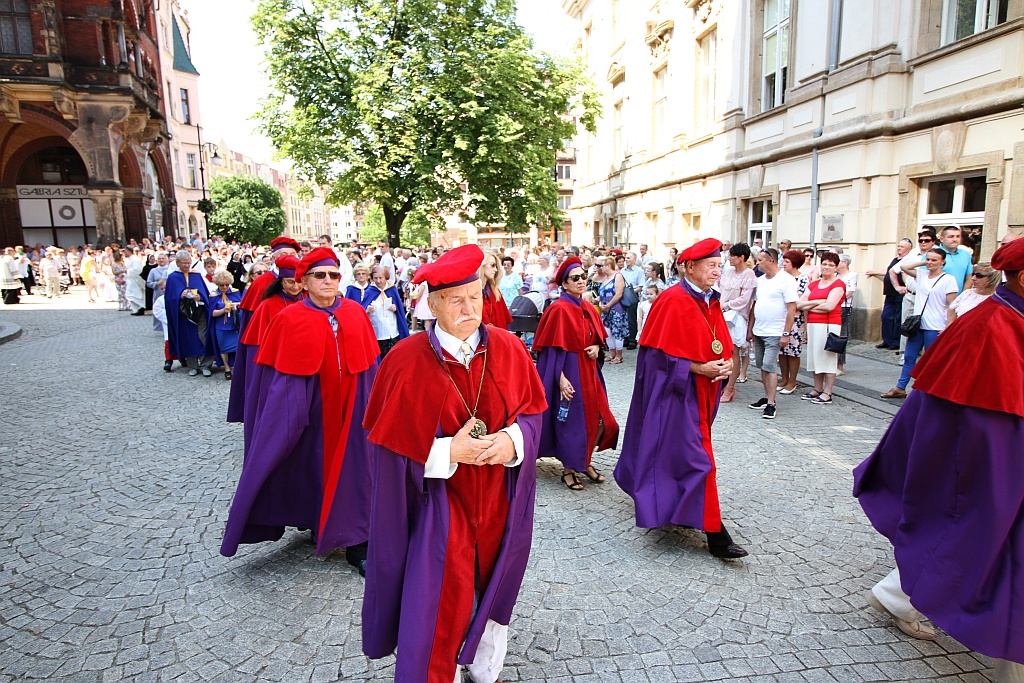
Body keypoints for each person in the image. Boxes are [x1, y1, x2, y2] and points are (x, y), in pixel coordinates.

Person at [361, 244, 547, 683]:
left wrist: (513, 440)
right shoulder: (403, 362)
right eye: (456, 300)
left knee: (493, 587)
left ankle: (486, 671)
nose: (469, 308)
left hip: (500, 498)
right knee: (440, 596)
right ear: (433, 303)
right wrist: (447, 452)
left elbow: (533, 414)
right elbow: (387, 452)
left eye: (476, 297)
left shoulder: (509, 348)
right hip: (439, 504)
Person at [852, 238, 1024, 681]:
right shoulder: (990, 327)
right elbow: (985, 424)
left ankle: (897, 593)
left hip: (982, 461)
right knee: (988, 540)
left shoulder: (1002, 318)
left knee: (972, 539)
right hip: (985, 464)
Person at [221, 247, 379, 575]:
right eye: (320, 275)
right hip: (312, 413)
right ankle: (316, 521)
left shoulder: (354, 312)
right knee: (310, 468)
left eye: (334, 275)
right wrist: (291, 415)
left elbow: (371, 370)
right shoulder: (288, 318)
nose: (328, 281)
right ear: (304, 281)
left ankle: (357, 542)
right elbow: (275, 382)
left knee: (356, 472)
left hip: (352, 413)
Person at [614, 238, 748, 560]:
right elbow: (653, 360)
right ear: (689, 266)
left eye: (720, 265)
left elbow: (719, 343)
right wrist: (698, 367)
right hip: (673, 397)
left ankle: (677, 511)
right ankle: (716, 534)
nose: (718, 271)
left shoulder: (710, 300)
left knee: (679, 459)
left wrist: (726, 365)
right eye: (711, 265)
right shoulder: (672, 300)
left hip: (701, 395)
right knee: (698, 461)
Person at [534, 256, 619, 492]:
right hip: (568, 373)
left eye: (583, 276)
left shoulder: (589, 308)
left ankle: (585, 461)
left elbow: (597, 340)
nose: (581, 281)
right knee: (572, 421)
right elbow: (550, 352)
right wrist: (560, 380)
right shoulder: (558, 310)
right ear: (564, 284)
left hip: (589, 372)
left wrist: (595, 347)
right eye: (575, 278)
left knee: (601, 419)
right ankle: (569, 470)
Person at [231, 255, 304, 439]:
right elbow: (257, 349)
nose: (295, 287)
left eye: (299, 282)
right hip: (278, 368)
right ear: (280, 282)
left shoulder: (309, 301)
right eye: (289, 282)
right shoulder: (267, 306)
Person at [879, 249, 959, 399]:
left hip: (936, 325)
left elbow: (951, 305)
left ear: (943, 262)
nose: (930, 262)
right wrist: (924, 262)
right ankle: (900, 387)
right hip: (918, 324)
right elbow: (904, 267)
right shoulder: (922, 275)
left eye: (934, 260)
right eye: (928, 259)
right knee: (909, 356)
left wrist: (949, 326)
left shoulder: (949, 279)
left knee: (930, 359)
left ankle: (929, 388)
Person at [746, 248, 797, 419]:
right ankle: (767, 395)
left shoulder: (786, 280)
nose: (757, 262)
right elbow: (754, 305)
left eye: (760, 260)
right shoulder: (760, 281)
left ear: (771, 261)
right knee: (762, 364)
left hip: (775, 331)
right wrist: (750, 329)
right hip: (759, 329)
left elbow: (791, 309)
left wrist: (786, 333)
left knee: (769, 365)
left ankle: (771, 403)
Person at [795, 252, 845, 404]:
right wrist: (819, 302)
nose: (827, 267)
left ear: (836, 267)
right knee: (815, 357)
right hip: (813, 324)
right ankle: (817, 388)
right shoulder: (814, 284)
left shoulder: (838, 285)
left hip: (830, 325)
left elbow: (830, 306)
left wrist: (811, 305)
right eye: (824, 264)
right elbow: (799, 304)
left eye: (831, 265)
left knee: (828, 358)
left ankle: (828, 391)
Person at [164, 250, 215, 377]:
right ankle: (193, 365)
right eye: (184, 263)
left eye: (188, 263)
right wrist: (179, 296)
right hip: (184, 314)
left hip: (199, 312)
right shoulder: (173, 278)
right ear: (177, 263)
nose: (187, 266)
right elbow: (169, 298)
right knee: (188, 338)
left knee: (203, 336)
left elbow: (205, 294)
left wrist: (200, 297)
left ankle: (206, 364)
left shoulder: (196, 276)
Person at [718, 243, 757, 403]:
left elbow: (744, 300)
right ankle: (722, 383)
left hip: (736, 317)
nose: (729, 258)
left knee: (733, 352)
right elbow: (721, 292)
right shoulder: (728, 272)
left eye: (732, 256)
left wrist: (726, 305)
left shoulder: (749, 275)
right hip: (722, 315)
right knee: (721, 350)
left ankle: (730, 387)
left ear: (741, 258)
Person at [866, 239, 911, 350]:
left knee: (898, 318)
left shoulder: (909, 260)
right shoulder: (895, 259)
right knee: (886, 317)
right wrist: (874, 272)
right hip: (889, 293)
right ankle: (886, 340)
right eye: (899, 246)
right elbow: (888, 271)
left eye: (902, 247)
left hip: (900, 294)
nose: (899, 248)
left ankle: (896, 342)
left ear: (909, 249)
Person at [779, 250, 810, 395]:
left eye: (787, 262)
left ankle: (792, 381)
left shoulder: (802, 279)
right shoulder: (781, 277)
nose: (783, 264)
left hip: (796, 319)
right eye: (783, 261)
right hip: (780, 316)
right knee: (781, 350)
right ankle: (784, 378)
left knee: (793, 351)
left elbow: (799, 299)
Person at [365, 264, 410, 358]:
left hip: (393, 330)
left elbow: (399, 308)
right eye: (375, 278)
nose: (378, 281)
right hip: (378, 331)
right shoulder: (370, 291)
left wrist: (395, 307)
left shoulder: (391, 289)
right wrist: (367, 310)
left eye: (380, 278)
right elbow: (362, 309)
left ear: (386, 277)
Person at [593, 256, 628, 364]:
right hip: (605, 309)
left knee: (617, 332)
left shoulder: (617, 276)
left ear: (609, 266)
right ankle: (612, 353)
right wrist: (600, 303)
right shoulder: (605, 278)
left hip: (616, 308)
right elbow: (600, 294)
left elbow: (618, 294)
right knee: (607, 331)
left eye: (602, 266)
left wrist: (608, 305)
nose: (601, 268)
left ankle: (619, 355)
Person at [209, 271, 243, 379]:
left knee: (238, 346)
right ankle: (227, 367)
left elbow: (242, 307)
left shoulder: (235, 292)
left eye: (227, 285)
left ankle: (238, 367)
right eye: (222, 285)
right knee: (223, 347)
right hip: (221, 326)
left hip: (234, 324)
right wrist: (223, 310)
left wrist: (235, 308)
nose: (224, 287)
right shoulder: (214, 295)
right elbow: (212, 314)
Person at [836, 254, 858, 375]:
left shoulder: (851, 275)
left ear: (845, 263)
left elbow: (848, 293)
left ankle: (840, 365)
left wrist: (833, 297)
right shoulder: (834, 275)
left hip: (844, 307)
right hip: (833, 307)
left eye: (838, 261)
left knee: (841, 336)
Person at [478, 251, 512, 330]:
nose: (496, 270)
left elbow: (503, 322)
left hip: (496, 337)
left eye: (496, 266)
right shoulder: (471, 292)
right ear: (482, 265)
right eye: (492, 265)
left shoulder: (495, 292)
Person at [620, 251, 644, 348]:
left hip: (633, 296)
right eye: (626, 258)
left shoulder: (639, 271)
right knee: (624, 318)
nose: (626, 260)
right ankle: (625, 337)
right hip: (622, 296)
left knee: (632, 318)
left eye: (628, 258)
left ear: (634, 260)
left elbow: (641, 286)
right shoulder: (622, 271)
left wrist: (630, 292)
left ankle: (632, 339)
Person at [126, 249, 146, 315]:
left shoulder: (135, 260)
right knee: (130, 295)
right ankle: (136, 309)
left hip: (134, 280)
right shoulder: (131, 259)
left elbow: (137, 269)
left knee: (133, 294)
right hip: (130, 280)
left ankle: (141, 306)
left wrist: (127, 271)